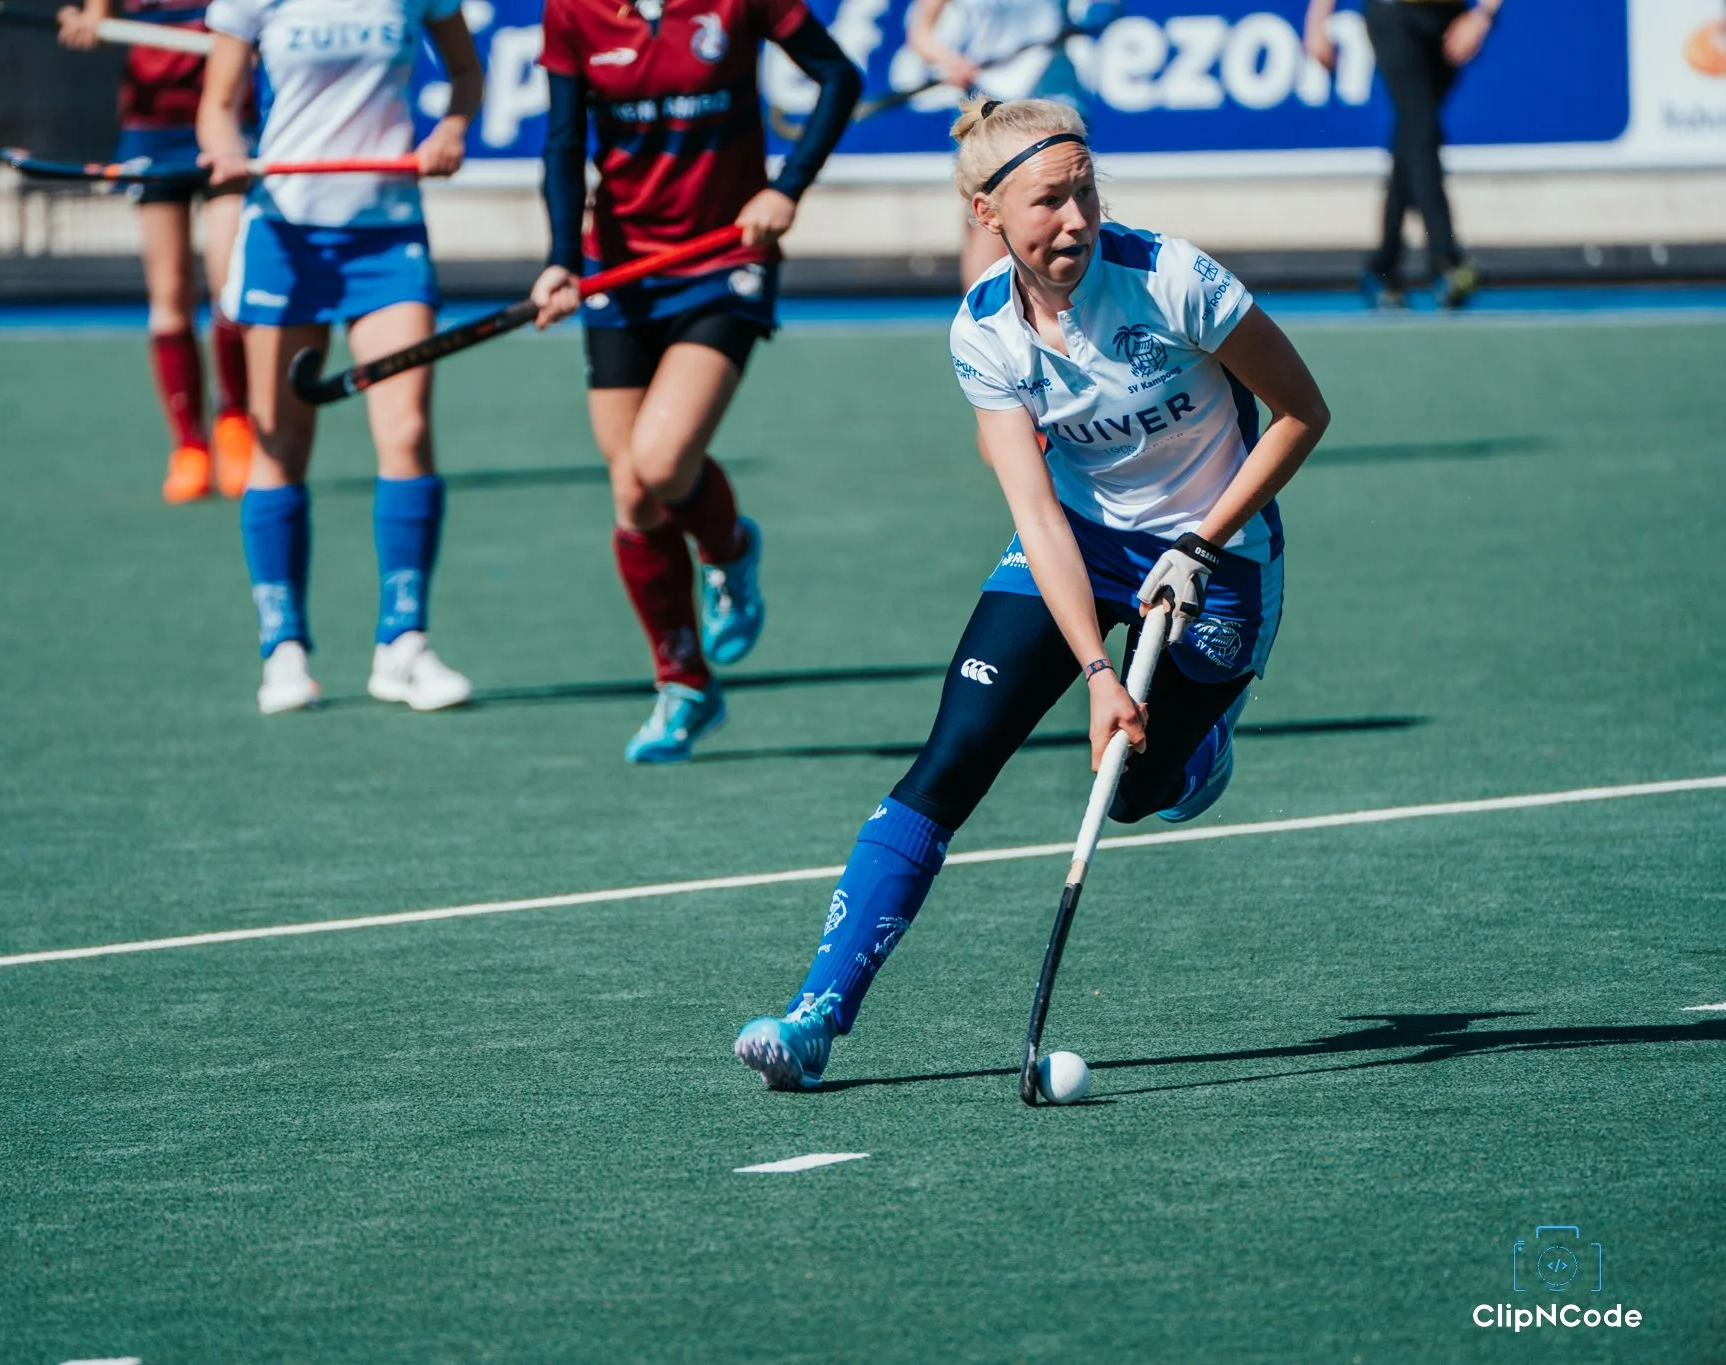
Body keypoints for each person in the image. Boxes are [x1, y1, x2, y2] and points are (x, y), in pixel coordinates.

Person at [732, 97, 1330, 1090]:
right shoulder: (981, 333)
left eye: (1083, 191)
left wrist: (1199, 540)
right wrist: (1096, 669)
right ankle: (815, 1016)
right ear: (987, 215)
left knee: (1135, 787)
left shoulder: (1173, 281)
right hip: (1080, 542)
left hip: (1222, 561)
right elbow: (1036, 510)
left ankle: (1193, 760)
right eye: (1047, 201)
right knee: (952, 755)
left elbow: (1300, 413)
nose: (1075, 220)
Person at [530, 0, 862, 762]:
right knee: (633, 491)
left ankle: (728, 548)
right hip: (621, 269)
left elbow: (838, 77)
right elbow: (560, 142)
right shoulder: (572, 12)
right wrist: (561, 259)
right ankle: (684, 684)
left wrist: (788, 186)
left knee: (660, 460)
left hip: (723, 262)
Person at [197, 0, 482, 714]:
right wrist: (227, 152)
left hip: (387, 236)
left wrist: (451, 128)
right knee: (281, 443)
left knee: (408, 432)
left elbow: (467, 75)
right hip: (286, 235)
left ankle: (403, 644)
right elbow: (217, 103)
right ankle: (284, 648)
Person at [60, 0, 258, 502]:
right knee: (169, 292)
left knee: (229, 280)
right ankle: (190, 445)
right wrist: (87, 26)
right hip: (153, 130)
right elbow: (99, 21)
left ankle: (236, 422)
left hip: (230, 125)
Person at [1304, 0, 1502, 309]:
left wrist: (1482, 14)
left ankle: (1383, 266)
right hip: (1394, 14)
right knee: (1421, 132)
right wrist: (1317, 23)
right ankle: (1447, 260)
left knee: (1412, 137)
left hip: (1449, 20)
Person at [905, 0, 1117, 285]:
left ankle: (1071, 310)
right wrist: (950, 62)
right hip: (988, 97)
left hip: (1051, 91)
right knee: (987, 216)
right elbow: (921, 31)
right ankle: (984, 320)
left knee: (1065, 202)